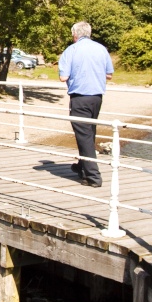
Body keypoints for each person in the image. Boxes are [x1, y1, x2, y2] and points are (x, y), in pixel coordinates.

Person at [58, 21, 114, 188]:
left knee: (83, 135)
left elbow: (63, 77)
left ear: (75, 35)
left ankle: (93, 177)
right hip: (97, 97)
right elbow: (109, 75)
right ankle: (82, 166)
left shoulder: (71, 50)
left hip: (80, 97)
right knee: (89, 132)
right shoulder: (101, 49)